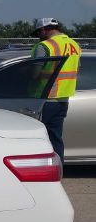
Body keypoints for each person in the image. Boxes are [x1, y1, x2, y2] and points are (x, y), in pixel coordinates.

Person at [31, 17, 81, 161]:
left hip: (44, 99)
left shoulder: (45, 46)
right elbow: (76, 69)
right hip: (63, 99)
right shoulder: (74, 45)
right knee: (55, 138)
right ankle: (58, 170)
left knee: (38, 139)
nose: (38, 37)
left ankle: (42, 172)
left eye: (38, 33)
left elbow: (34, 74)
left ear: (44, 30)